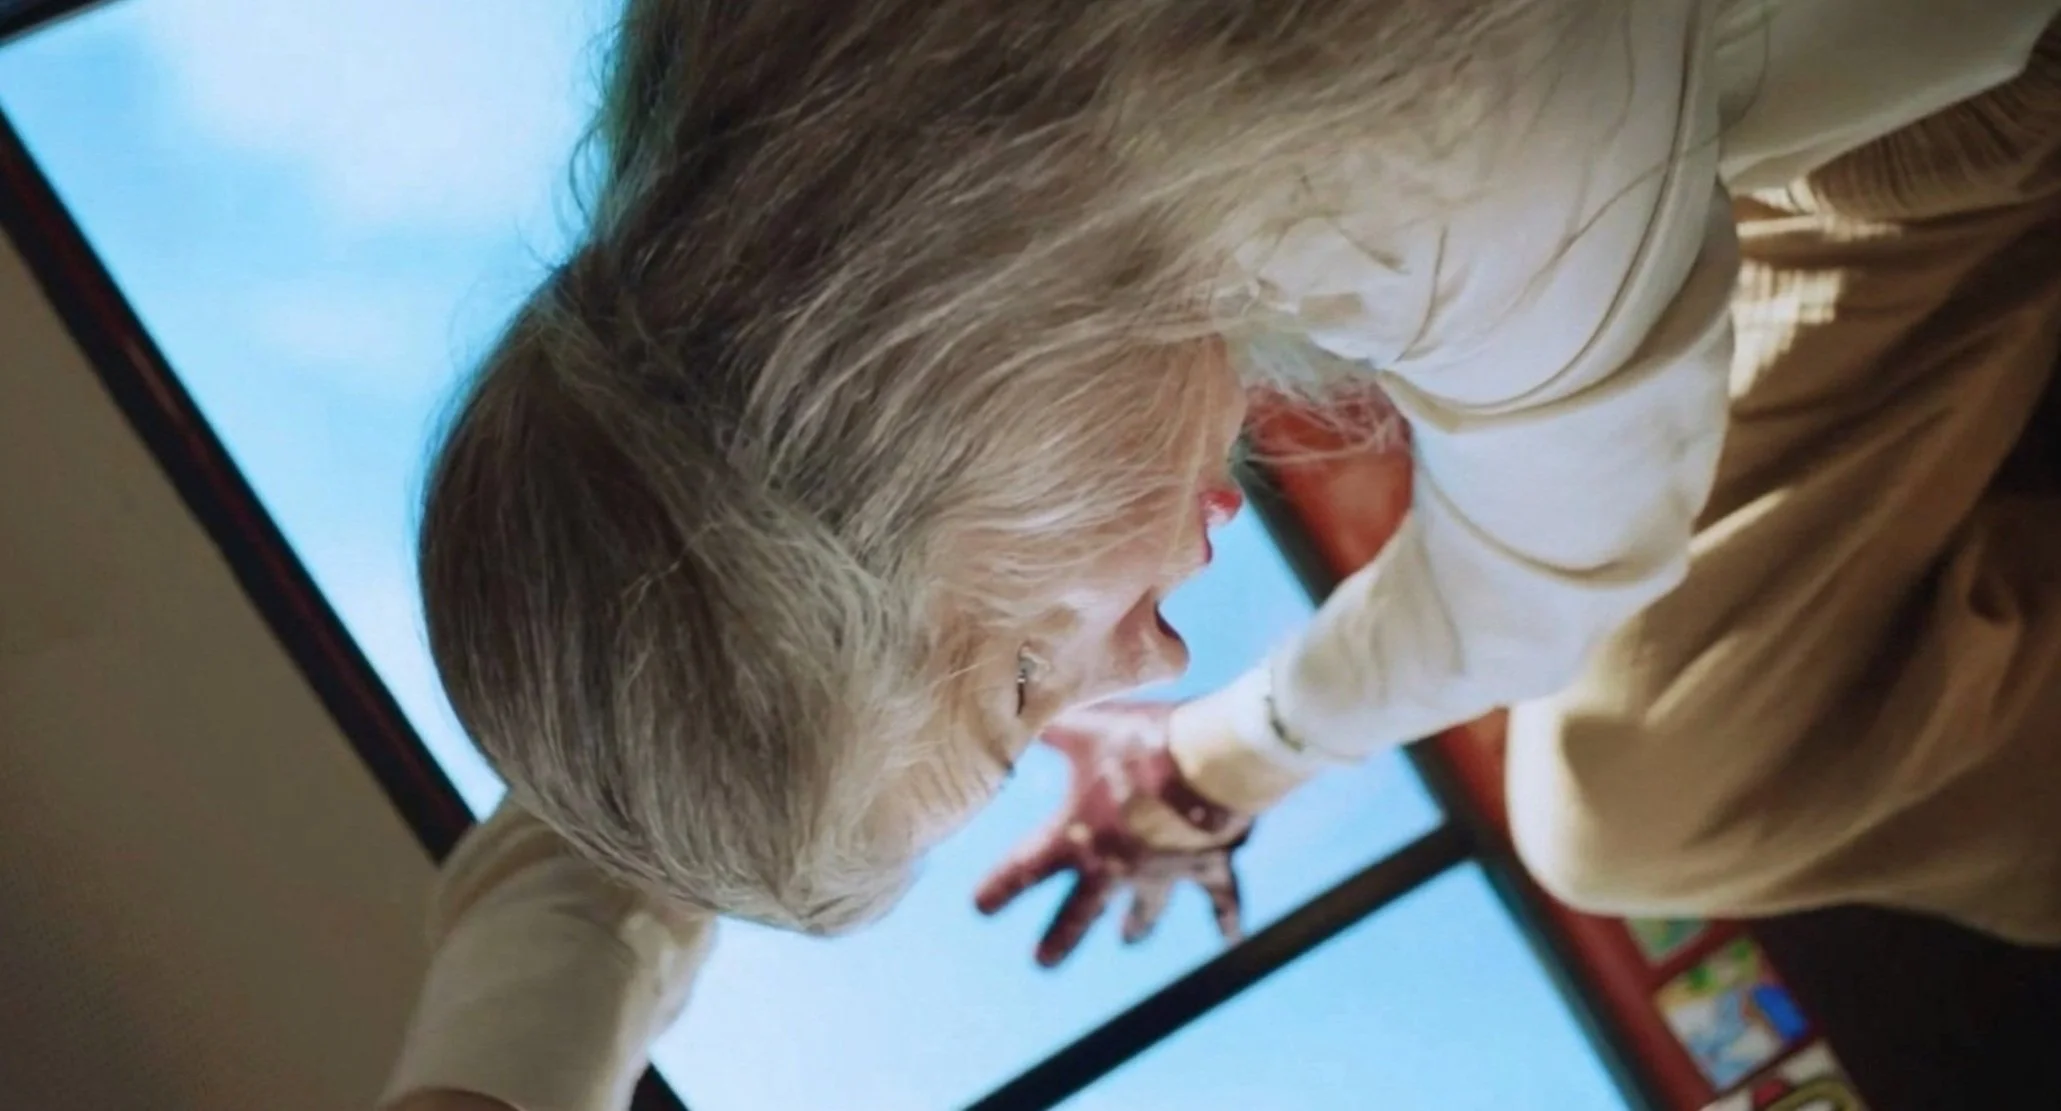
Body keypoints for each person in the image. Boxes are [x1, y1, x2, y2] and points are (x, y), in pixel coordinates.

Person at [381, 2, 2061, 1109]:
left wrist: (1230, 751)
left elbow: (1556, 572)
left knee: (1635, 801)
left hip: (1951, 103)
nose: (1154, 654)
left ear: (906, 425)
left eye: (1023, 674)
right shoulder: (879, 126)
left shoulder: (1422, 152)